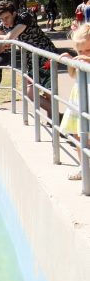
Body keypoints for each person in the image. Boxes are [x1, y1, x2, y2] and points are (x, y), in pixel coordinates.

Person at [0, 0, 58, 120]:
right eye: (2, 19)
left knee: (47, 91)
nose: (4, 21)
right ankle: (56, 116)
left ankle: (54, 119)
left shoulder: (24, 17)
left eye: (7, 17)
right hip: (31, 59)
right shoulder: (6, 23)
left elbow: (9, 38)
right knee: (29, 92)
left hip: (46, 55)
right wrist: (8, 37)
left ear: (14, 13)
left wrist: (10, 38)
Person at [59, 23, 90, 180]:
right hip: (79, 100)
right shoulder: (80, 61)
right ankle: (83, 167)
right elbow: (74, 75)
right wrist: (71, 61)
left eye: (88, 50)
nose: (83, 54)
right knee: (79, 136)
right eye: (80, 51)